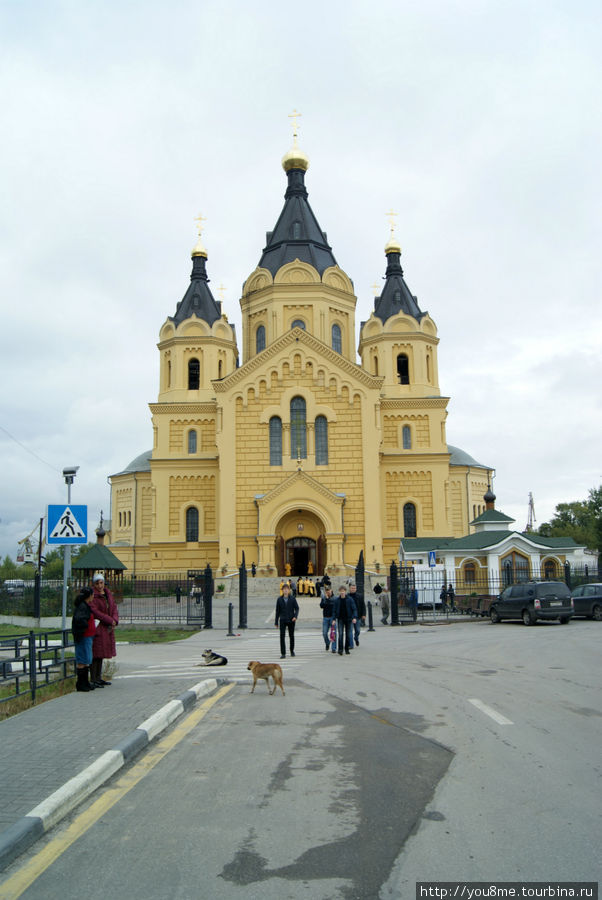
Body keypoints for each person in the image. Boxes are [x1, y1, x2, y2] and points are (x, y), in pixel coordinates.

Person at [88, 573, 119, 687]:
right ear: (94, 584)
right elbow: (96, 612)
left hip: (107, 627)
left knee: (101, 654)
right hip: (98, 627)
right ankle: (93, 678)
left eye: (101, 583)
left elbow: (114, 607)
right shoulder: (93, 596)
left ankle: (98, 677)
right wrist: (110, 620)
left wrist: (115, 619)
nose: (100, 585)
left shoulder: (107, 593)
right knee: (95, 653)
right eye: (97, 583)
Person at [71, 587, 96, 692]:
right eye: (92, 594)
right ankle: (81, 684)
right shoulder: (82, 607)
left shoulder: (85, 606)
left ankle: (85, 682)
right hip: (83, 637)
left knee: (86, 660)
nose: (93, 596)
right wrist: (86, 625)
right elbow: (79, 620)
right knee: (82, 660)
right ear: (89, 596)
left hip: (87, 637)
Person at [275, 583, 299, 659]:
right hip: (282, 620)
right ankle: (283, 653)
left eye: (286, 589)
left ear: (289, 590)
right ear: (282, 590)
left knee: (291, 636)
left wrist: (295, 616)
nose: (285, 591)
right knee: (282, 636)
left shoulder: (292, 598)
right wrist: (276, 622)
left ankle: (292, 650)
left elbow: (297, 608)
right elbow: (277, 611)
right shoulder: (279, 599)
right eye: (284, 589)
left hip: (291, 620)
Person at [333, 584, 357, 655]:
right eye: (341, 591)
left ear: (345, 591)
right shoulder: (337, 600)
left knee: (348, 634)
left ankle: (346, 648)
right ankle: (340, 649)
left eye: (343, 591)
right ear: (339, 592)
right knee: (340, 634)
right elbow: (334, 610)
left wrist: (354, 617)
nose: (342, 592)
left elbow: (354, 609)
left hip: (348, 619)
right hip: (340, 619)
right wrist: (334, 619)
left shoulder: (349, 599)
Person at [320, 585, 337, 652]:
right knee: (324, 633)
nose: (328, 592)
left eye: (329, 590)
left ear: (331, 590)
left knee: (333, 633)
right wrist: (325, 599)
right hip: (325, 617)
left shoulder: (335, 598)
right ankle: (327, 643)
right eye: (326, 591)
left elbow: (334, 607)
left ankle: (334, 648)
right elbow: (321, 606)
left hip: (332, 617)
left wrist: (334, 618)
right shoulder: (324, 598)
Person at [348, 581, 365, 646]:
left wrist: (364, 614)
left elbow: (363, 606)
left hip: (358, 616)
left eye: (354, 588)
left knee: (357, 630)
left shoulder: (359, 596)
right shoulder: (347, 596)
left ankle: (356, 638)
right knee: (350, 631)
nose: (353, 589)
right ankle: (350, 644)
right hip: (350, 616)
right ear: (349, 588)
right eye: (352, 588)